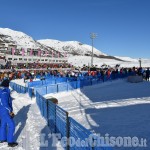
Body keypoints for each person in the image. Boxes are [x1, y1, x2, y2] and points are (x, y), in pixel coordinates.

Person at [0, 78, 18, 147]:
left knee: (3, 124)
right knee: (12, 125)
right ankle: (10, 142)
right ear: (6, 85)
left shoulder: (3, 91)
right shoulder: (4, 92)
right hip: (5, 111)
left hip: (2, 110)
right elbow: (4, 103)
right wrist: (10, 111)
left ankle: (2, 138)